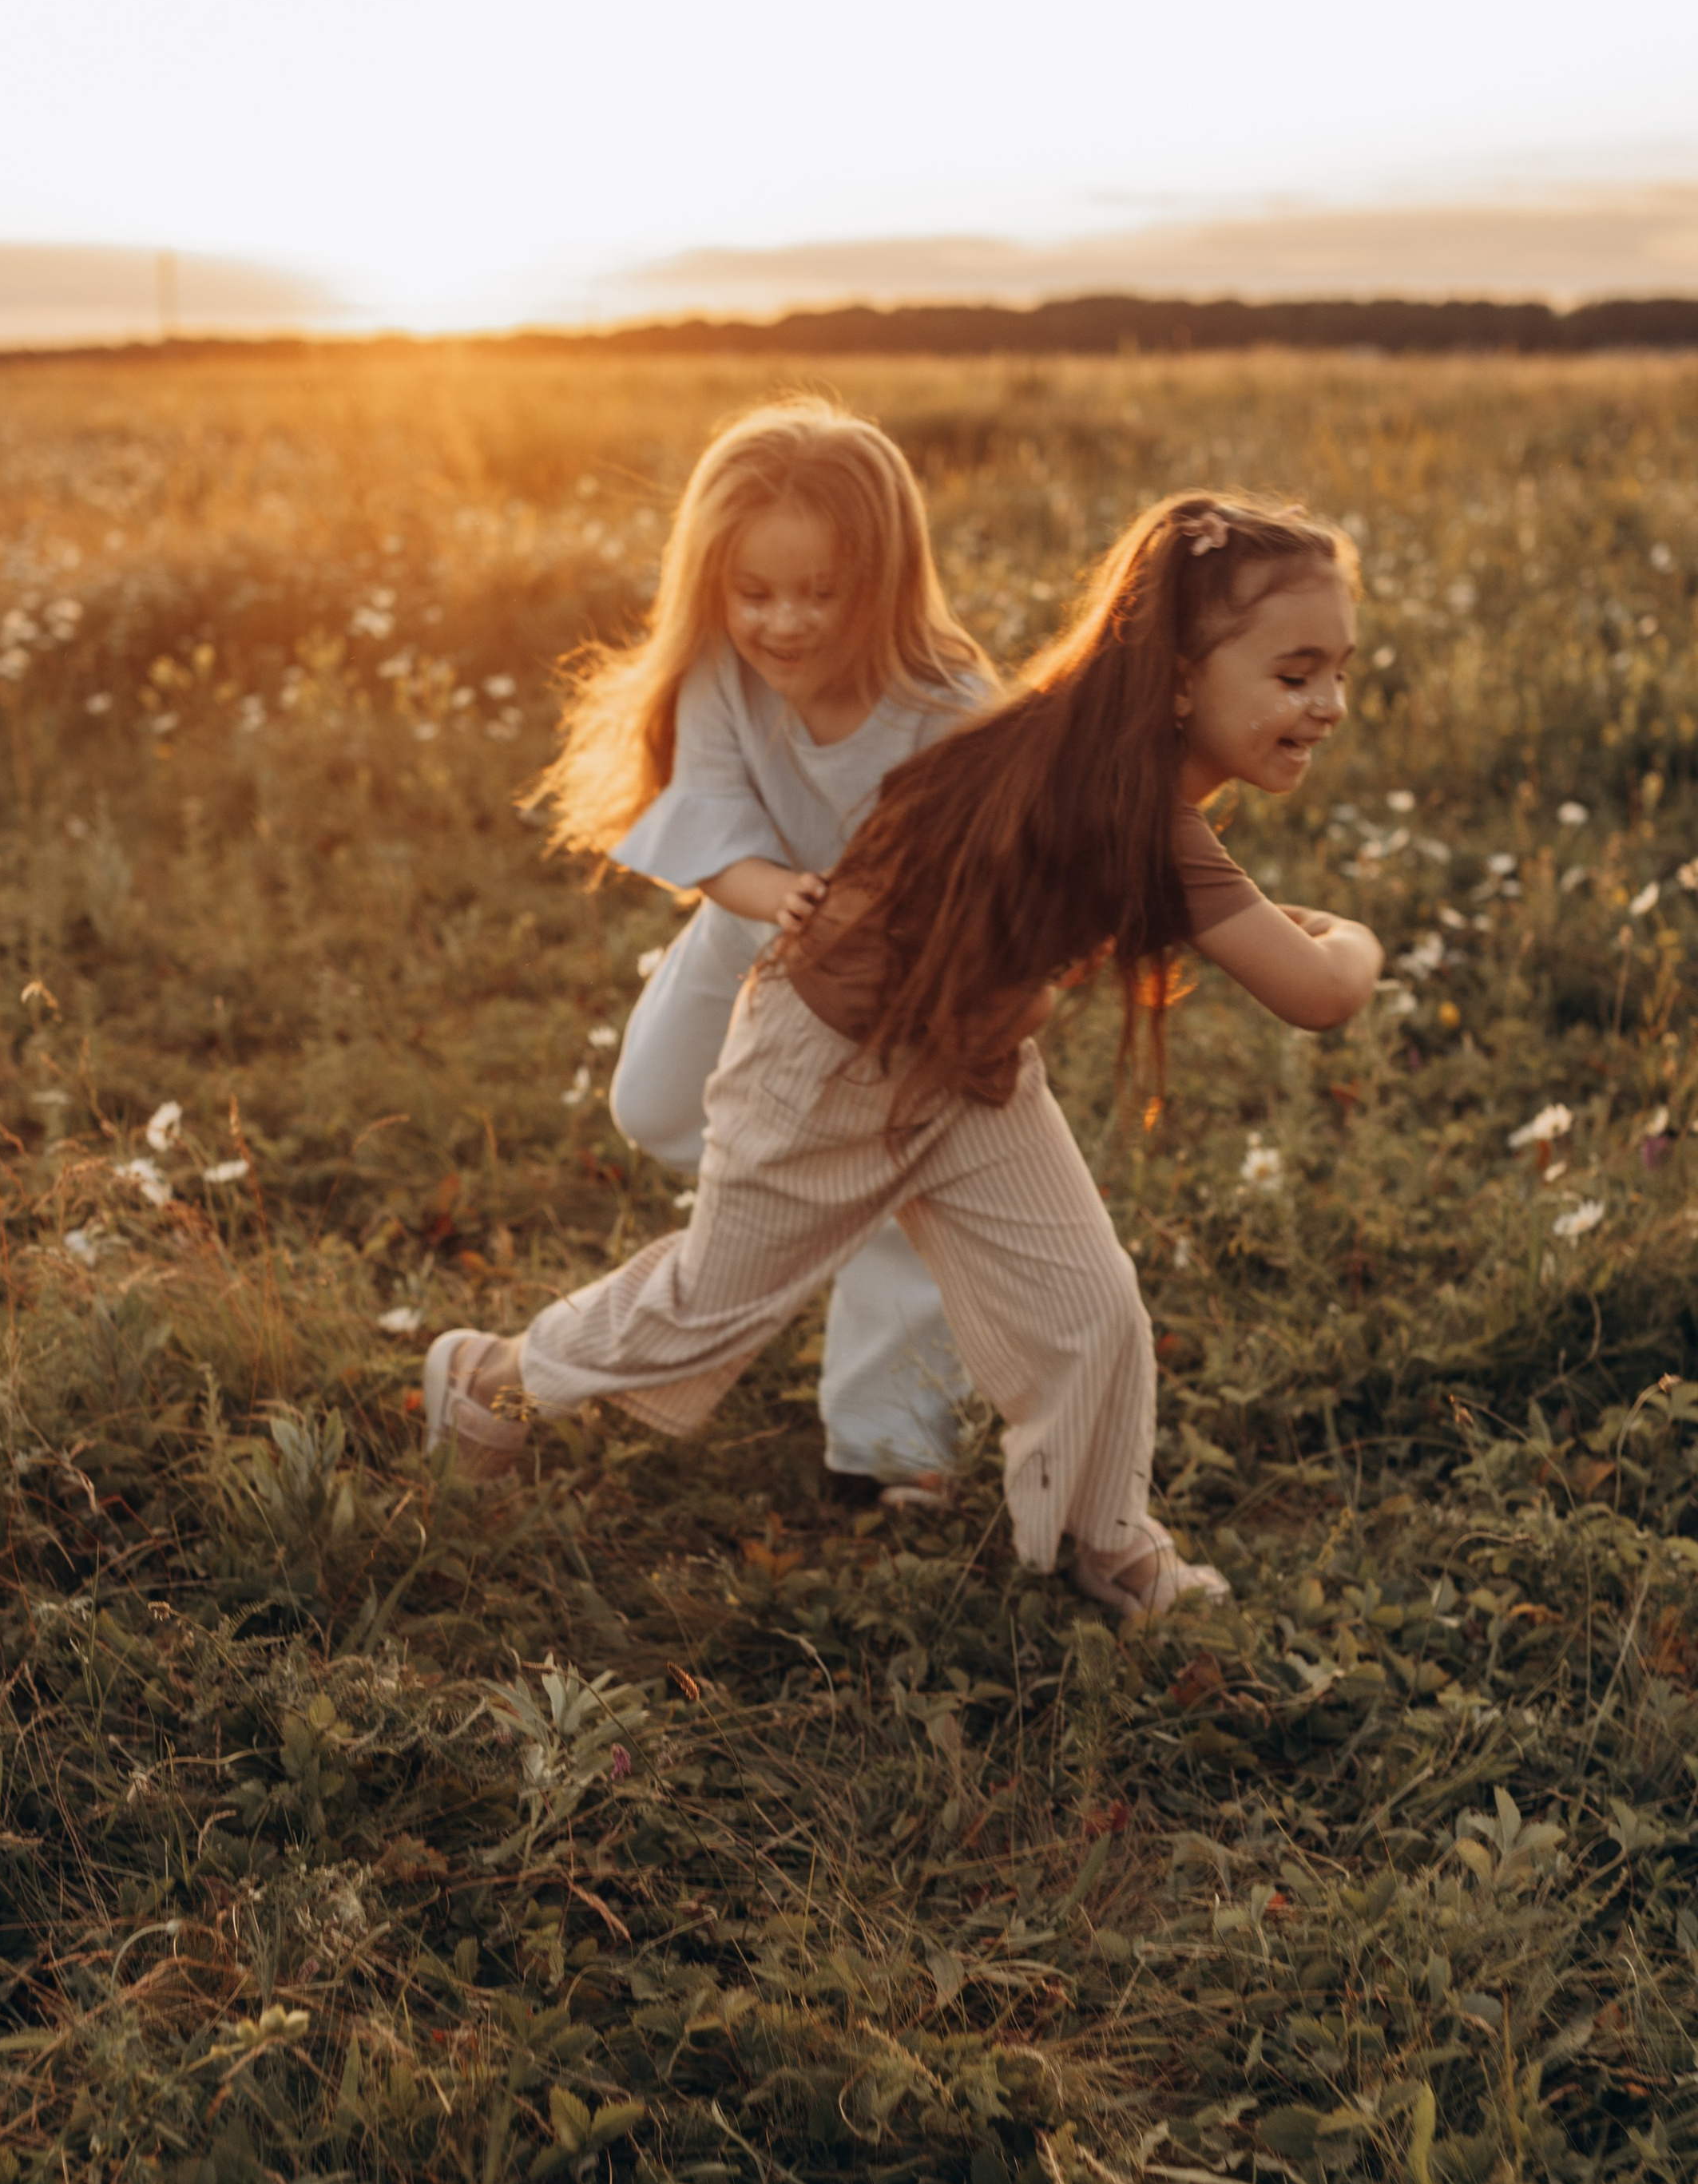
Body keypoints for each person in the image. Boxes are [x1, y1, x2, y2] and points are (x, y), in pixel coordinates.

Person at [431, 490, 1383, 1617]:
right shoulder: (1137, 811)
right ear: (1180, 675)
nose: (1326, 705)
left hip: (968, 1071)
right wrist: (1350, 931)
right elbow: (1321, 993)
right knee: (712, 1302)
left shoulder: (1096, 765)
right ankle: (489, 1379)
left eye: (1340, 672)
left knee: (1091, 1303)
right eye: (1293, 675)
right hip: (827, 1057)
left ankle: (1102, 1538)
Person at [530, 395, 1000, 1500]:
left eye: (820, 594)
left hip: (896, 998)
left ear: (882, 584)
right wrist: (787, 896)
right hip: (750, 939)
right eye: (755, 594)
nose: (784, 623)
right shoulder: (721, 682)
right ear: (714, 586)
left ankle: (889, 1450)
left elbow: (986, 872)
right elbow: (710, 830)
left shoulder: (947, 703)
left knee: (901, 1193)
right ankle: (803, 1199)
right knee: (650, 1105)